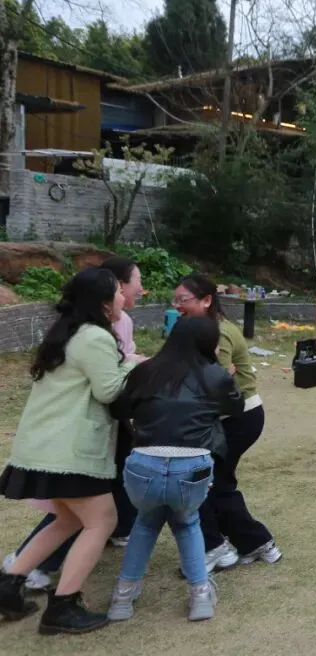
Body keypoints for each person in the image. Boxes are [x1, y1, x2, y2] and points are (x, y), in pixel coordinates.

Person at [0, 268, 135, 634]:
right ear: (104, 303)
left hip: (44, 446)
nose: (124, 297)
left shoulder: (67, 332)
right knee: (102, 520)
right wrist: (135, 365)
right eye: (118, 292)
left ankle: (8, 586)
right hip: (69, 450)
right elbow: (109, 391)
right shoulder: (95, 337)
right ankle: (63, 607)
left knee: (70, 520)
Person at [106, 317, 244, 623]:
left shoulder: (146, 370)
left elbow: (119, 408)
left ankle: (122, 597)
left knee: (145, 523)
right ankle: (200, 596)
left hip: (143, 463)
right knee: (187, 523)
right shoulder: (214, 374)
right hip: (191, 465)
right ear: (208, 342)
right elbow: (236, 407)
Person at [172, 275, 281, 572]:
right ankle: (253, 543)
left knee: (207, 481)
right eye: (175, 300)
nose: (177, 305)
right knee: (216, 482)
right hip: (222, 417)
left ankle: (217, 547)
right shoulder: (197, 329)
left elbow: (213, 384)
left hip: (238, 418)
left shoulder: (219, 332)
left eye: (183, 300)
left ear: (206, 300)